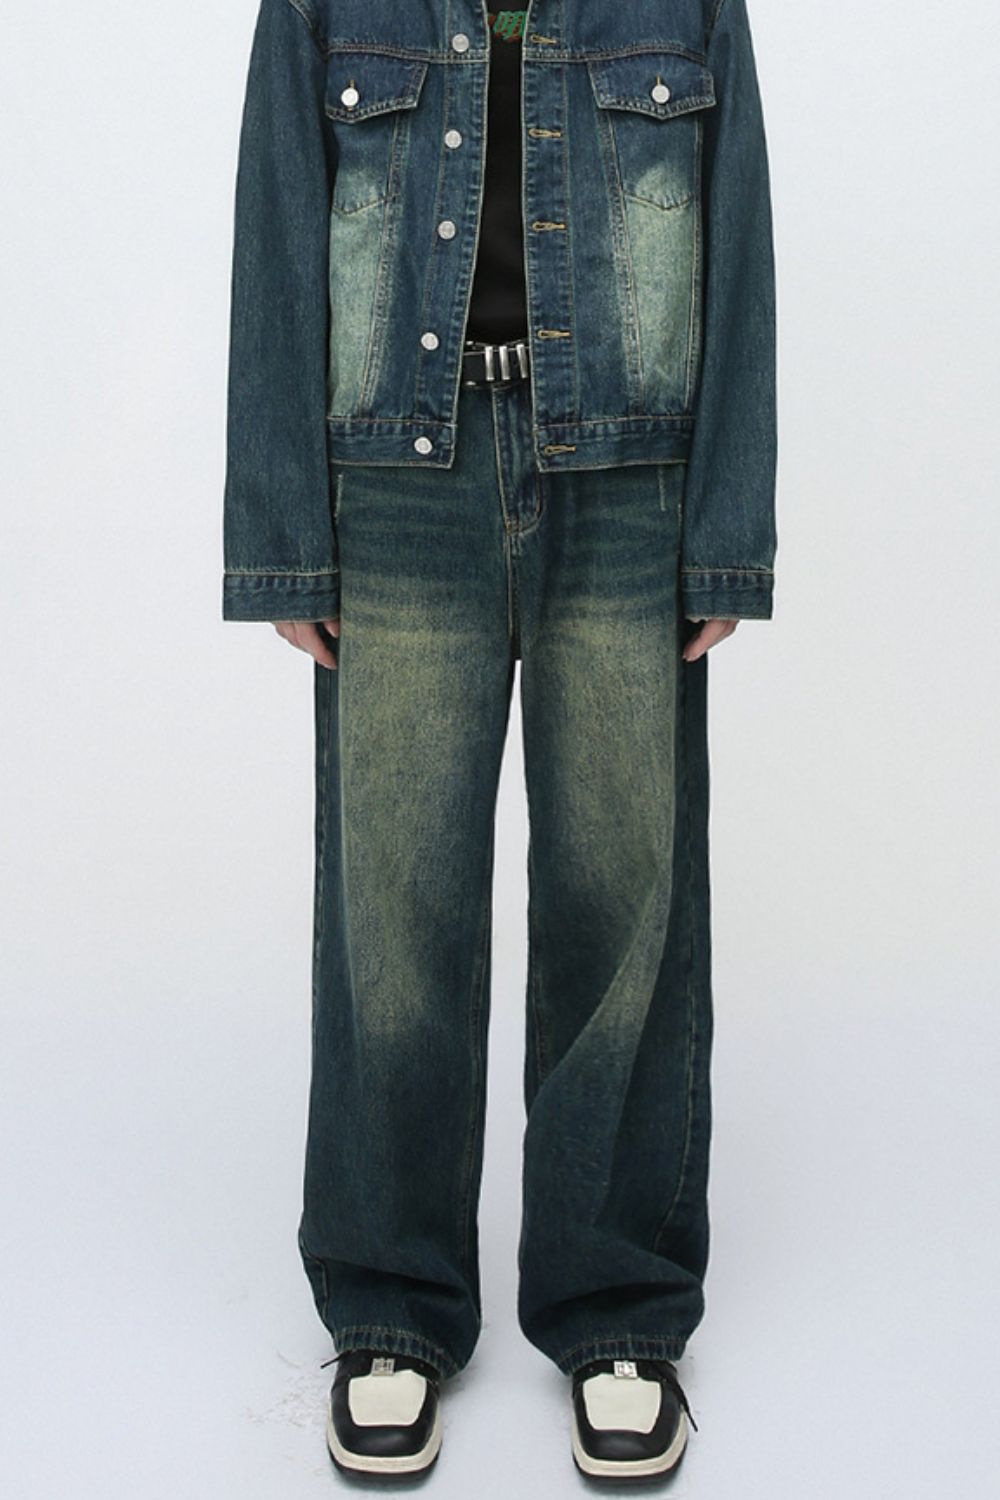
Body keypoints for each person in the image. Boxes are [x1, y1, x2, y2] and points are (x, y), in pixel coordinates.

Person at [222, 0, 776, 1481]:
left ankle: (618, 1308)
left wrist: (726, 529)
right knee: (394, 911)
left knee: (624, 902)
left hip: (631, 476)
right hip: (399, 481)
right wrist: (284, 537)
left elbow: (739, 227)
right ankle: (391, 1305)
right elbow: (279, 220)